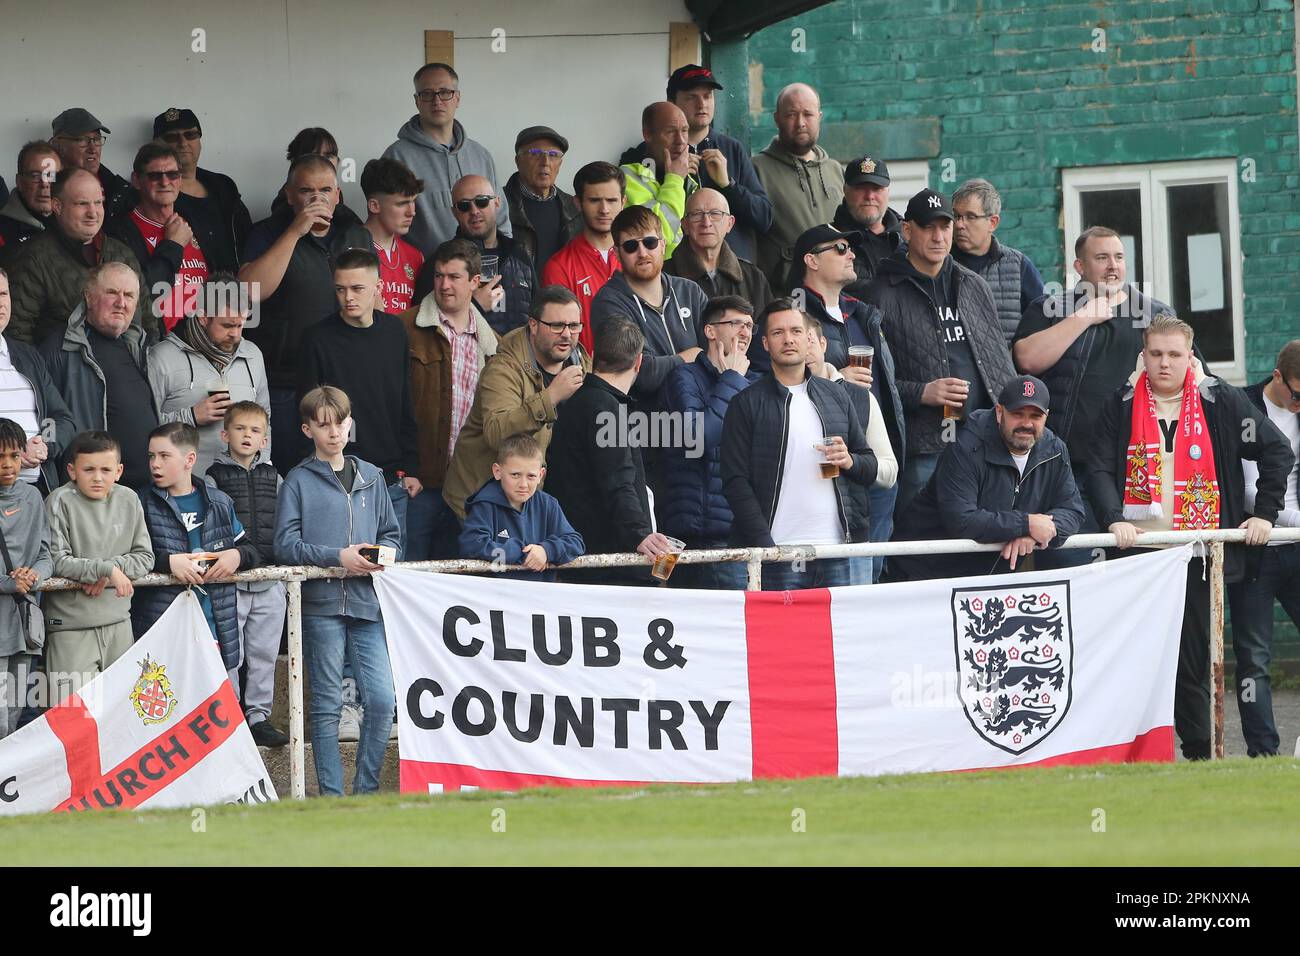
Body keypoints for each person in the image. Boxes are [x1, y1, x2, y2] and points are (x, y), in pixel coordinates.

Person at [1085, 314, 1295, 761]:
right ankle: (1135, 754)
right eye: (1156, 354)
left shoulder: (1220, 401)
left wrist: (1264, 515)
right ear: (1143, 356)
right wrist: (1112, 518)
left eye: (1174, 355)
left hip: (1198, 554)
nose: (1164, 363)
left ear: (1190, 357)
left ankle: (1200, 755)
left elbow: (1276, 451)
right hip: (1137, 554)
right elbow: (1098, 465)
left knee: (1194, 660)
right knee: (1136, 657)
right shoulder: (1121, 402)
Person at [275, 386, 401, 797]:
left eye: (341, 422)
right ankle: (331, 799)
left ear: (350, 423)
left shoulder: (373, 476)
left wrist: (386, 554)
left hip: (367, 603)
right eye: (324, 424)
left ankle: (364, 793)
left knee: (382, 700)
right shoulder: (297, 480)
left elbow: (392, 534)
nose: (334, 432)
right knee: (327, 705)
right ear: (307, 428)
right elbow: (285, 545)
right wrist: (337, 557)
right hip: (320, 605)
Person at [862, 188, 1014, 516]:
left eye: (945, 227)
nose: (938, 236)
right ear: (907, 229)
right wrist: (922, 393)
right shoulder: (880, 294)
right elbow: (870, 384)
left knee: (985, 539)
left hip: (982, 438)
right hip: (924, 445)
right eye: (928, 227)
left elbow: (999, 363)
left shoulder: (973, 284)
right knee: (921, 540)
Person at [1014, 225, 1173, 536]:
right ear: (1079, 267)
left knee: (1133, 568)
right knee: (1071, 564)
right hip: (1068, 468)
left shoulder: (1155, 314)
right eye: (1102, 258)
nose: (1113, 266)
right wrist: (1084, 316)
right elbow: (1027, 359)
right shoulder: (1051, 307)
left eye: (1119, 257)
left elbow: (1194, 375)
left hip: (1136, 470)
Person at [721, 301, 876, 590]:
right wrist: (766, 546)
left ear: (810, 340)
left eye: (795, 331)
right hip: (777, 552)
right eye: (778, 333)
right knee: (779, 635)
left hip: (835, 549)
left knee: (838, 634)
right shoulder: (745, 403)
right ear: (765, 344)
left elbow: (870, 467)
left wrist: (849, 461)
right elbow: (734, 482)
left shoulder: (837, 395)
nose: (788, 339)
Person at [239, 154, 371, 473]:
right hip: (286, 383)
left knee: (344, 474)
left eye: (326, 190)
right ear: (288, 194)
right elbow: (249, 290)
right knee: (289, 474)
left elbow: (372, 304)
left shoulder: (355, 235)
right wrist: (296, 231)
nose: (317, 198)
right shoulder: (268, 233)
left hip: (344, 381)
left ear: (338, 195)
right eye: (306, 191)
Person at [887, 374, 1083, 580]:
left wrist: (1033, 534)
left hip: (986, 581)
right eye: (1018, 414)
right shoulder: (966, 445)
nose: (1026, 423)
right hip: (925, 573)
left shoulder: (1054, 449)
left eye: (1036, 416)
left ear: (1047, 417)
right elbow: (961, 520)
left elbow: (1073, 510)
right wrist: (1026, 524)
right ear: (999, 412)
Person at [299, 249, 420, 549]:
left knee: (390, 575)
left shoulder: (395, 330)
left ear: (378, 288)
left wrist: (412, 468)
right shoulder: (317, 338)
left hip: (391, 477)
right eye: (340, 289)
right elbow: (307, 413)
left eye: (357, 288)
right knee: (342, 568)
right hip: (337, 476)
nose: (348, 297)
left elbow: (405, 400)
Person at [443, 285, 591, 520]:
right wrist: (550, 397)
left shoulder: (581, 361)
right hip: (480, 507)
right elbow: (496, 432)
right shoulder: (503, 367)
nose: (566, 334)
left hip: (537, 505)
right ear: (533, 325)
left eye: (574, 326)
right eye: (556, 326)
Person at [546, 316, 675, 584]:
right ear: (638, 362)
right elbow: (618, 480)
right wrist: (639, 534)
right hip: (614, 567)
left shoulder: (576, 403)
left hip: (581, 561)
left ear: (592, 356)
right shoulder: (608, 411)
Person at [134, 422, 257, 677]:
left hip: (213, 625)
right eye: (151, 456)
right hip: (161, 628)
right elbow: (129, 557)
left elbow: (252, 550)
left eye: (164, 456)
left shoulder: (219, 501)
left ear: (189, 459)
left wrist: (237, 555)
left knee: (213, 709)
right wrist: (168, 563)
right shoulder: (139, 502)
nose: (155, 463)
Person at [401, 239, 498, 560]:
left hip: (470, 483)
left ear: (475, 281)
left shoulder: (494, 344)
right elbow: (391, 404)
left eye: (454, 277)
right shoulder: (404, 327)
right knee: (409, 573)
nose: (444, 285)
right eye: (439, 276)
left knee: (463, 575)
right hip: (418, 481)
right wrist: (404, 469)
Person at [1227, 340, 1300, 757]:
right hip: (1254, 544)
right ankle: (1263, 754)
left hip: (1296, 546)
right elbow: (1253, 493)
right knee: (1254, 660)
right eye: (1297, 395)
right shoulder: (1243, 407)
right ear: (1277, 377)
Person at [621, 65, 773, 263]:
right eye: (692, 97)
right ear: (672, 102)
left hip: (732, 271)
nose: (702, 104)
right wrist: (672, 177)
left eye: (708, 96)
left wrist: (728, 185)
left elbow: (764, 219)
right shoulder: (642, 155)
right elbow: (641, 229)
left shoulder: (732, 148)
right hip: (675, 271)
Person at [43, 431, 153, 704]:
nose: (97, 477)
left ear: (119, 471)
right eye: (88, 469)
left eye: (106, 469)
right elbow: (56, 560)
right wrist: (104, 571)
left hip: (118, 622)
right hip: (70, 627)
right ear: (72, 470)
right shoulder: (58, 501)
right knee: (71, 718)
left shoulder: (129, 499)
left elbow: (145, 557)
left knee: (120, 716)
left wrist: (108, 570)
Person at [660, 295, 761, 589]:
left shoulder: (751, 383)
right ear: (710, 331)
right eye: (736, 324)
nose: (745, 332)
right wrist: (731, 379)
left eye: (750, 326)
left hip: (744, 537)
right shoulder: (684, 378)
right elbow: (698, 438)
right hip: (699, 541)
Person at [205, 402, 289, 748]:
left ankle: (258, 716)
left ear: (265, 439)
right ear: (225, 434)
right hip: (230, 580)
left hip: (269, 577)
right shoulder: (213, 477)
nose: (247, 436)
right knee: (229, 652)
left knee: (264, 653)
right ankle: (229, 715)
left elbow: (285, 524)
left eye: (255, 431)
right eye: (239, 429)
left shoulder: (276, 477)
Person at [40, 263, 162, 488]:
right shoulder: (60, 349)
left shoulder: (142, 346)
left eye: (129, 295)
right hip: (93, 494)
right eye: (112, 293)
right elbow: (44, 415)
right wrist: (49, 449)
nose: (121, 303)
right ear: (89, 296)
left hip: (148, 491)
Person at [6, 167, 150, 346]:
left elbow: (149, 324)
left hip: (123, 368)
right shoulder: (33, 257)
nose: (93, 213)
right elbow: (18, 334)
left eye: (98, 202)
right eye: (82, 204)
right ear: (57, 206)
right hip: (59, 371)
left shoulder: (122, 253)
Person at [805, 314, 899, 584]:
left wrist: (852, 461)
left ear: (824, 344)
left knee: (853, 621)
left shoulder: (859, 397)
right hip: (788, 538)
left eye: (811, 338)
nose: (805, 346)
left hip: (849, 536)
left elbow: (889, 471)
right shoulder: (768, 398)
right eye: (797, 338)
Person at [148, 273, 271, 477]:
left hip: (240, 489)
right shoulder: (161, 357)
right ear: (203, 317)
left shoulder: (253, 355)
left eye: (240, 325)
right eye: (227, 325)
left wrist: (258, 470)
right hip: (183, 488)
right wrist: (191, 416)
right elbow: (143, 426)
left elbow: (266, 420)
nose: (236, 334)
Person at [383, 62, 510, 255]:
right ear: (417, 100)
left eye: (445, 92)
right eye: (427, 94)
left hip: (485, 272)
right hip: (425, 275)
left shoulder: (481, 156)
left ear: (457, 98)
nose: (437, 101)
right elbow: (387, 227)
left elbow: (501, 220)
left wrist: (505, 261)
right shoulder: (396, 158)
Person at [589, 206, 707, 407]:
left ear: (662, 245)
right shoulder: (608, 302)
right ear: (617, 253)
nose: (642, 253)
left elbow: (719, 350)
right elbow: (643, 372)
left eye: (650, 242)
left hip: (701, 415)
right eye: (631, 246)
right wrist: (691, 356)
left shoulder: (690, 291)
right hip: (646, 427)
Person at [752, 83, 845, 289]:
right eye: (791, 115)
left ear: (819, 117)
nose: (800, 122)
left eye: (808, 114)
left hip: (835, 295)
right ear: (777, 118)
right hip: (784, 297)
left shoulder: (835, 170)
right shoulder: (757, 169)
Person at [414, 174, 531, 336]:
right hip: (468, 359)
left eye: (482, 201)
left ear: (497, 202)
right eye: (464, 206)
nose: (474, 211)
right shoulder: (441, 261)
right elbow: (423, 324)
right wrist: (475, 305)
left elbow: (539, 313)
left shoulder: (519, 254)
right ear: (454, 212)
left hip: (518, 359)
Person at [110, 142, 209, 333]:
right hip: (158, 347)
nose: (165, 182)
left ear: (180, 179)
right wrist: (172, 245)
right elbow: (136, 295)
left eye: (172, 175)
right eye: (155, 176)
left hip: (205, 345)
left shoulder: (196, 223)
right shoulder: (121, 233)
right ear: (137, 180)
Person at [459, 432, 584, 581]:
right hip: (495, 597)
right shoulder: (484, 505)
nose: (523, 484)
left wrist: (546, 551)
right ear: (497, 472)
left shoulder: (548, 504)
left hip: (539, 597)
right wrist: (523, 554)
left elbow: (576, 543)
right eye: (515, 475)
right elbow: (472, 546)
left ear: (541, 475)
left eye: (531, 476)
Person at [0, 267, 77, 492]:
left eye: (3, 295)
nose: (0, 304)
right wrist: (10, 452)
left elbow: (60, 418)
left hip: (37, 492)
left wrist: (46, 443)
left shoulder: (28, 356)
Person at [0, 418, 52, 739]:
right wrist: (8, 582)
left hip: (24, 628)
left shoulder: (33, 498)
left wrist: (33, 576)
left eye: (14, 456)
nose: (7, 465)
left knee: (14, 718)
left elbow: (46, 556)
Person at [542, 162, 626, 355]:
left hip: (640, 373)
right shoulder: (559, 266)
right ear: (578, 203)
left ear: (623, 202)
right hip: (586, 378)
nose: (604, 209)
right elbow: (559, 339)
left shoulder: (639, 256)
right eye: (595, 200)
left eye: (612, 200)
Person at [153, 107, 251, 271]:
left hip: (237, 288)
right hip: (185, 292)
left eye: (190, 135)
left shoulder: (224, 186)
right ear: (156, 145)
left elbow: (247, 236)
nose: (183, 143)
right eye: (172, 137)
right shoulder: (151, 195)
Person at [951, 178, 1045, 347]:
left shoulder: (1019, 267)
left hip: (1008, 371)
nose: (959, 225)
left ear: (992, 223)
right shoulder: (940, 264)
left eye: (970, 217)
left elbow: (1043, 328)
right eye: (956, 216)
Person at [664, 188, 772, 317]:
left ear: (729, 223)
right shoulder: (664, 277)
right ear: (685, 225)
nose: (706, 223)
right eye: (697, 215)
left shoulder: (753, 278)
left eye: (715, 214)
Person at [620, 103, 694, 258]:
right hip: (658, 275)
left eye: (685, 131)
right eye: (670, 132)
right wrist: (675, 179)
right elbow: (658, 235)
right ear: (647, 134)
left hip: (691, 276)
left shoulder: (691, 177)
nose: (680, 141)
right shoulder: (627, 177)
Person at [505, 126, 580, 274]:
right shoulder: (498, 205)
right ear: (518, 161)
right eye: (535, 153)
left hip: (562, 295)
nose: (545, 161)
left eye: (553, 154)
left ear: (560, 164)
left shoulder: (574, 208)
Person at [832, 156, 905, 297]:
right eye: (860, 188)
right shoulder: (827, 243)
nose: (869, 196)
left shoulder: (911, 240)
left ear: (888, 192)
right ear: (845, 191)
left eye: (877, 188)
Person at [360, 158, 424, 315]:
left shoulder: (416, 256)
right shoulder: (348, 247)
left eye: (413, 201)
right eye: (402, 204)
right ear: (374, 206)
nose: (412, 211)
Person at [49, 109, 132, 224]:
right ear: (56, 145)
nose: (93, 149)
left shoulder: (120, 190)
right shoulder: (44, 189)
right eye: (82, 140)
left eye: (97, 139)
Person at [0, 142, 61, 256]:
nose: (45, 184)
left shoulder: (74, 225)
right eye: (35, 176)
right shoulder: (2, 232)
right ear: (19, 182)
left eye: (52, 176)